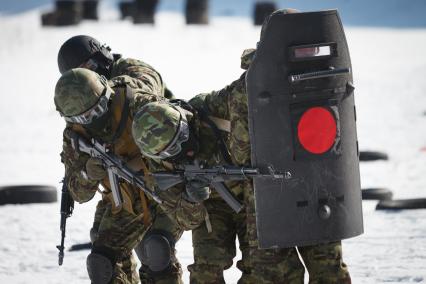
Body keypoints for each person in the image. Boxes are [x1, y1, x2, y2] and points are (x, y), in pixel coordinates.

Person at [131, 47, 351, 283]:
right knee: (206, 271)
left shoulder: (206, 109)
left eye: (182, 135)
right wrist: (192, 198)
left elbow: (244, 93)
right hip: (212, 204)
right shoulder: (161, 167)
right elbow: (186, 220)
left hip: (255, 193)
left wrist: (261, 68)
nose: (184, 146)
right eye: (173, 149)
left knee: (269, 269)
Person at [54, 68, 206, 284]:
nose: (92, 120)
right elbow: (78, 193)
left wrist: (144, 164)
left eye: (97, 110)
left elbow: (183, 141)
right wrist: (88, 173)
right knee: (101, 265)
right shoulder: (76, 135)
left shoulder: (137, 104)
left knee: (157, 251)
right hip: (126, 200)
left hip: (165, 189)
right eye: (83, 117)